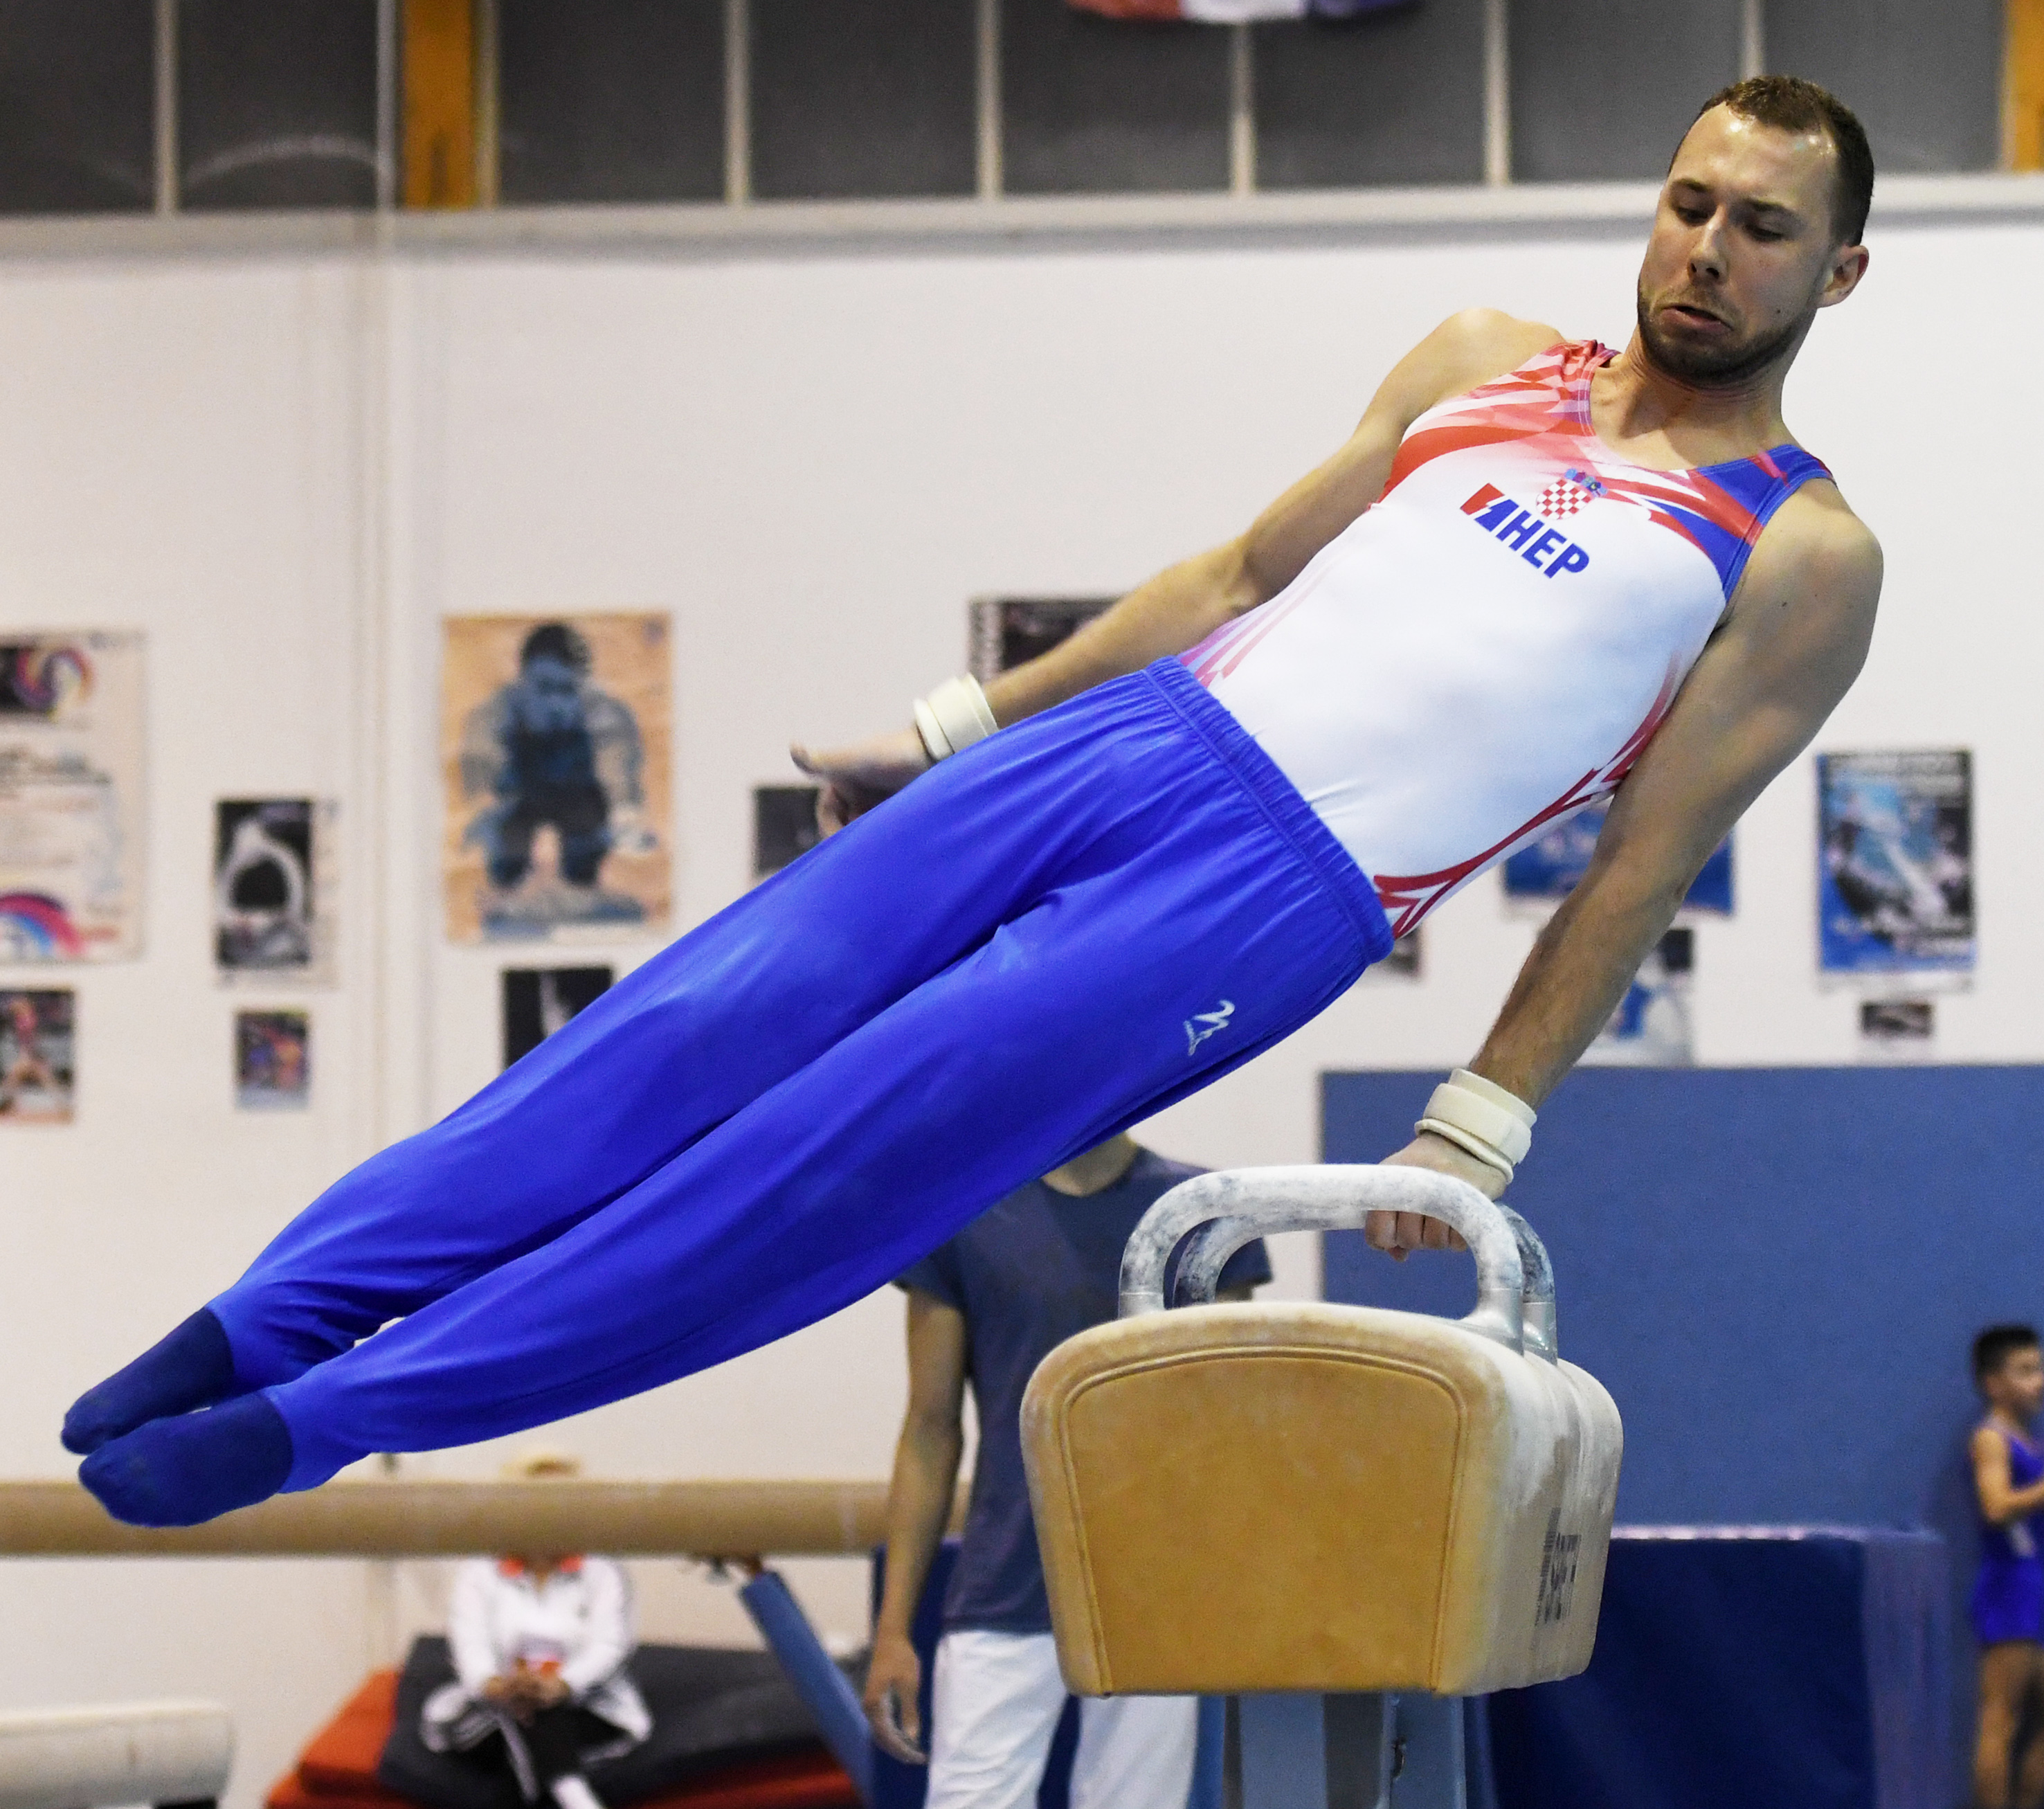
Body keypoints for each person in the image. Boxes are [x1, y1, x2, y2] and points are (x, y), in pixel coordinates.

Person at [66, 75, 1884, 1528]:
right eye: (1689, 202)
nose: (1707, 250)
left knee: (834, 1156)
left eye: (1764, 228)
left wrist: (1475, 1123)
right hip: (1132, 738)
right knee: (686, 1022)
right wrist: (954, 728)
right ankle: (268, 1314)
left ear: (1838, 272)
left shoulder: (1798, 551)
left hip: (1280, 887)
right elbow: (1236, 569)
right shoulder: (1481, 357)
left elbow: (1648, 864)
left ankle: (326, 1415)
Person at [865, 1135, 1267, 1809]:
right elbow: (930, 1433)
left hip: (1156, 1596)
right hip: (1008, 1583)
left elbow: (1226, 1429)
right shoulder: (967, 1216)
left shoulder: (1203, 1214)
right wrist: (892, 1630)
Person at [422, 1452, 650, 1809]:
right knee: (525, 1721)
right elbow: (471, 1648)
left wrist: (559, 1685)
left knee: (530, 1726)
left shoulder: (601, 1571)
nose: (551, 1511)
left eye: (563, 1500)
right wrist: (499, 1685)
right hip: (493, 1708)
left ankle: (569, 1791)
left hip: (584, 1707)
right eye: (539, 1499)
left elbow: (610, 1646)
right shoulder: (481, 1572)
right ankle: (574, 1796)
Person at [1971, 1327, 2044, 1809]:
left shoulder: (2032, 1443)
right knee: (2001, 1717)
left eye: (2039, 1368)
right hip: (2009, 1586)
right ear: (1993, 1383)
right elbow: (1995, 1506)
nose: (2038, 1381)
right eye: (2025, 1370)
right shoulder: (1989, 1438)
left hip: (2036, 1583)